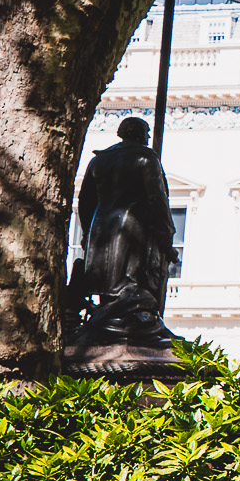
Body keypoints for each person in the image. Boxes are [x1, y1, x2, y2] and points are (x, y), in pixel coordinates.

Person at [68, 116, 177, 346]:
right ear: (138, 134)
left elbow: (85, 202)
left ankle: (112, 326)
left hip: (101, 229)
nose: (148, 139)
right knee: (132, 289)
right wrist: (166, 237)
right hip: (133, 232)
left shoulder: (98, 161)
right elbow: (158, 200)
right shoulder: (146, 159)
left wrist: (89, 233)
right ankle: (136, 328)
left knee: (109, 291)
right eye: (146, 134)